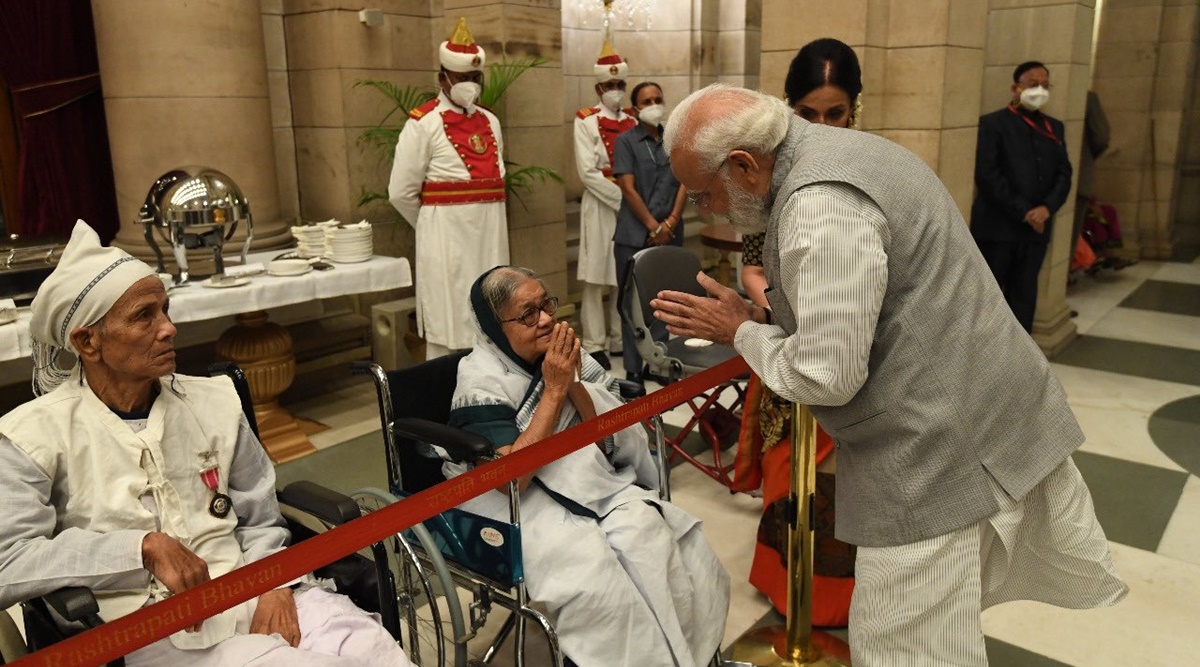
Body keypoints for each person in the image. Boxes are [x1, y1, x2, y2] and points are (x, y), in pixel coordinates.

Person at [652, 84, 1127, 666]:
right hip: (978, 409)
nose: (709, 210)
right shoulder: (842, 149)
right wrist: (763, 317)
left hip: (939, 445)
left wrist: (741, 332)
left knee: (904, 644)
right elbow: (870, 303)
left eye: (704, 194)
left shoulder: (819, 204)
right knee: (931, 630)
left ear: (745, 165)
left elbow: (828, 376)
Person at [0, 221, 412, 667]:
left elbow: (259, 514)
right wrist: (140, 548)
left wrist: (273, 582)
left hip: (251, 588)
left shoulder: (213, 400)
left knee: (373, 650)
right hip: (148, 627)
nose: (169, 328)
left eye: (165, 310)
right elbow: (9, 561)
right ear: (88, 341)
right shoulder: (32, 435)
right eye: (145, 316)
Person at [445, 265, 729, 667]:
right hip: (516, 506)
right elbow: (510, 480)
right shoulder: (480, 379)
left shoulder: (560, 355)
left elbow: (606, 437)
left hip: (587, 479)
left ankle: (688, 657)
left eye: (546, 304)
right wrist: (554, 390)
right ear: (496, 327)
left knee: (656, 538)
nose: (545, 319)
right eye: (528, 314)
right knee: (596, 581)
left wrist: (572, 380)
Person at [733, 37, 860, 628]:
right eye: (808, 114)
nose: (823, 126)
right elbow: (752, 264)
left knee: (841, 489)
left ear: (855, 110)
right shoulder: (772, 175)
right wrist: (783, 308)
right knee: (792, 474)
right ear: (788, 110)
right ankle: (792, 597)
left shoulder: (870, 167)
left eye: (835, 113)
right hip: (791, 343)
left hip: (856, 354)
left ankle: (835, 605)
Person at [388, 16, 509, 360]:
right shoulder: (422, 124)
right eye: (462, 78)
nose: (469, 84)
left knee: (492, 317)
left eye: (475, 78)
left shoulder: (491, 121)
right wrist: (432, 226)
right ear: (442, 78)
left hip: (491, 239)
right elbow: (400, 191)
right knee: (448, 323)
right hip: (444, 242)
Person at [970, 61, 1073, 332]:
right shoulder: (993, 124)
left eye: (1044, 85)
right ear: (1015, 88)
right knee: (989, 298)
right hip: (998, 229)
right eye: (1032, 84)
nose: (1039, 90)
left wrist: (1046, 209)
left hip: (1035, 231)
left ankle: (1020, 361)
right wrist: (1025, 212)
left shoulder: (1055, 128)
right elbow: (988, 175)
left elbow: (1064, 174)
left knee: (1024, 297)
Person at [612, 81, 687, 382]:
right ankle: (633, 367)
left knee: (667, 300)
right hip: (634, 233)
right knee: (633, 303)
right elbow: (627, 188)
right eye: (647, 101)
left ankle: (661, 362)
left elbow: (685, 180)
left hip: (671, 231)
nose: (654, 104)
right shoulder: (626, 141)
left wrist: (670, 222)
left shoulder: (674, 138)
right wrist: (654, 226)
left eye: (658, 99)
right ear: (635, 109)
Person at [573, 37, 637, 371]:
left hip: (630, 206)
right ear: (599, 88)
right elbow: (587, 172)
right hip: (601, 204)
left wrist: (632, 201)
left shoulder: (634, 120)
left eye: (620, 84)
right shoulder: (584, 120)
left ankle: (616, 338)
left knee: (622, 275)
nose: (615, 89)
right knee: (596, 275)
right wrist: (623, 199)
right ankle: (595, 342)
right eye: (609, 84)